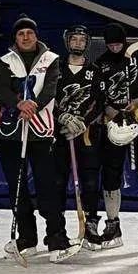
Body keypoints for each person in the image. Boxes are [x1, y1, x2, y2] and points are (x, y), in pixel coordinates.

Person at [0, 15, 80, 263]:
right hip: (11, 132)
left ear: (36, 36)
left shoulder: (50, 59)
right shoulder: (5, 61)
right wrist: (18, 104)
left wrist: (33, 105)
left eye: (29, 33)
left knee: (47, 187)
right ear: (15, 38)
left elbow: (51, 89)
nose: (26, 37)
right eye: (21, 34)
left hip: (41, 132)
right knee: (17, 187)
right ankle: (26, 238)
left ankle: (56, 238)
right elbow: (2, 90)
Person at [93, 23, 138, 250]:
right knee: (110, 173)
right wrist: (108, 109)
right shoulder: (101, 63)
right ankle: (113, 225)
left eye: (118, 44)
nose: (115, 48)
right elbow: (97, 93)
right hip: (113, 125)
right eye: (111, 45)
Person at [53, 25, 106, 251]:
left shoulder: (95, 71)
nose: (77, 43)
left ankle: (90, 224)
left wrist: (83, 122)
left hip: (86, 137)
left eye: (81, 40)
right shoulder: (55, 68)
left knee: (90, 182)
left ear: (87, 43)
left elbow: (99, 102)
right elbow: (48, 97)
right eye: (73, 39)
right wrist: (62, 117)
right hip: (60, 136)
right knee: (57, 182)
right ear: (67, 42)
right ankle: (57, 229)